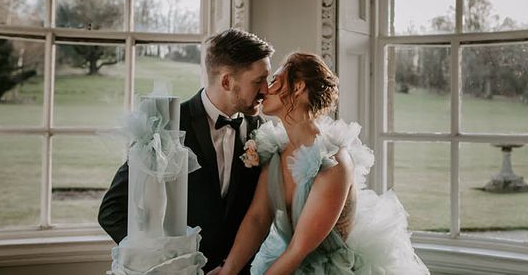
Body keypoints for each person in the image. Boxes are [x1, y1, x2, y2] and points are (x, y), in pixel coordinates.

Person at [210, 52, 428, 275]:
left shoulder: (333, 162)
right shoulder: (275, 154)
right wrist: (228, 271)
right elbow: (257, 219)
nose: (264, 89)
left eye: (275, 80)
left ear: (298, 88)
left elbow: (299, 249)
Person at [98, 28, 274, 274]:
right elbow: (112, 211)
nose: (266, 90)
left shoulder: (262, 131)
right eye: (258, 81)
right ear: (226, 81)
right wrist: (169, 265)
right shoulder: (166, 127)